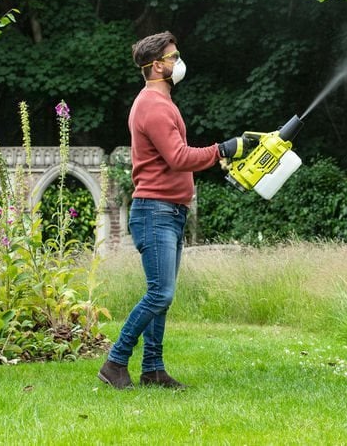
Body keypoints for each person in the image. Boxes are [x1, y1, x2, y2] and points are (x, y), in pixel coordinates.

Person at [98, 31, 255, 390]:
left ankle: (152, 368)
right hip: (154, 211)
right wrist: (223, 149)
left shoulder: (162, 102)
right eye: (173, 57)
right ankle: (115, 362)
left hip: (168, 211)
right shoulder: (152, 105)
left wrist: (220, 154)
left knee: (161, 296)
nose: (178, 62)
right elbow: (179, 157)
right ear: (157, 66)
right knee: (160, 293)